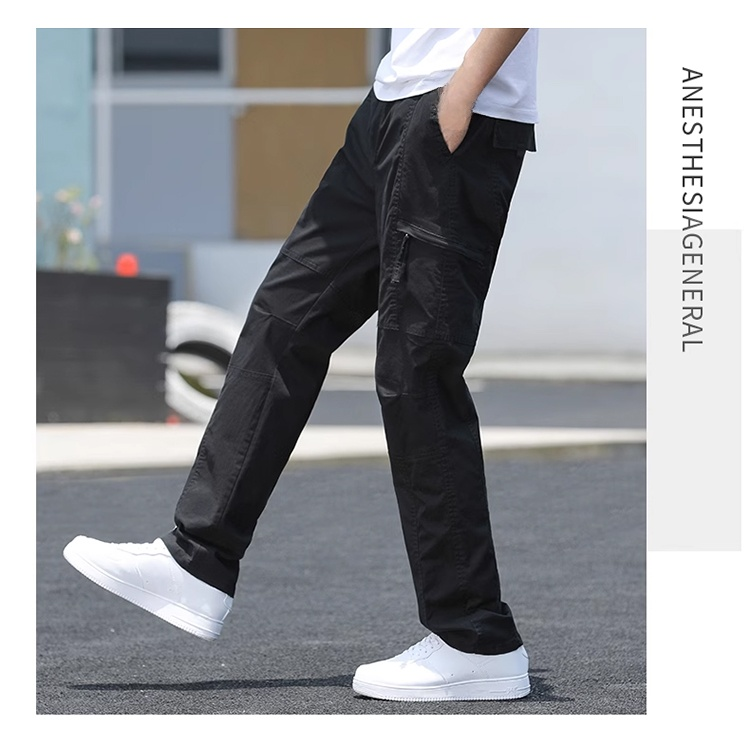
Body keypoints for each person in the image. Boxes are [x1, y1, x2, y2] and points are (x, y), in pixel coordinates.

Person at [64, 27, 538, 702]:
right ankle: (199, 559)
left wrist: (462, 90)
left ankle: (475, 638)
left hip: (455, 107)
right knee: (286, 317)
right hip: (391, 103)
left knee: (417, 373)